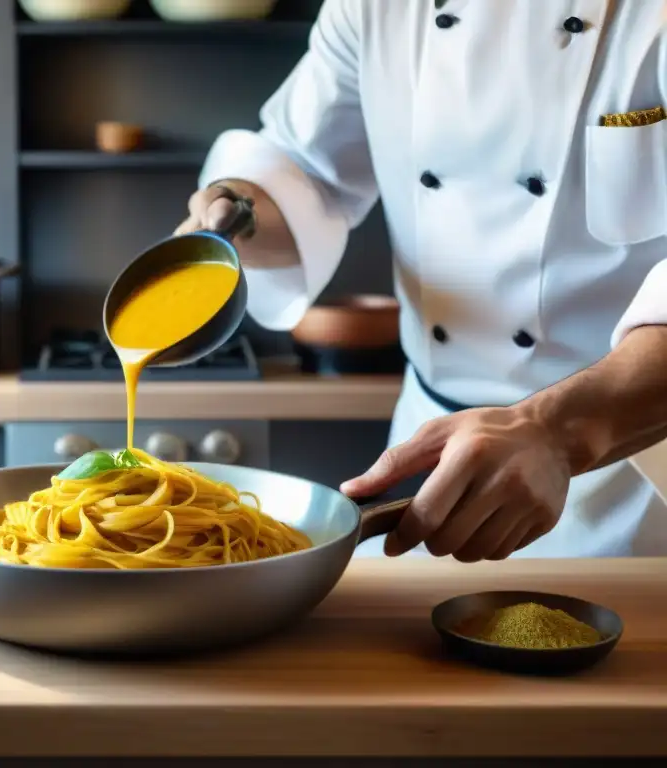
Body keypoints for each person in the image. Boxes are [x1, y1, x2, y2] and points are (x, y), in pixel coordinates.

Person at [177, 0, 667, 560]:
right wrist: (235, 209)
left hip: (631, 464)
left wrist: (556, 432)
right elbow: (304, 166)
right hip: (427, 457)